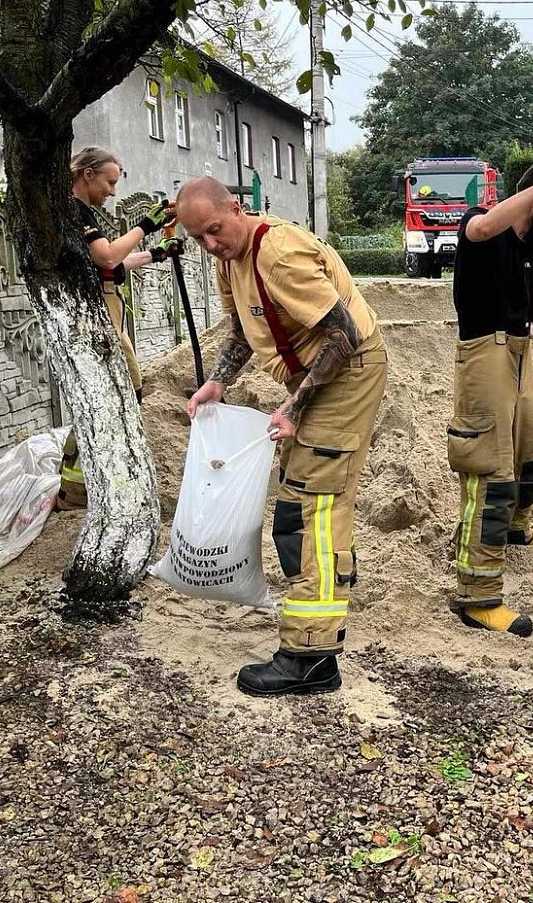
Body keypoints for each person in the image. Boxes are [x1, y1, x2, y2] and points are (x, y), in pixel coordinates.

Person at [177, 176, 387, 697]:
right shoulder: (231, 259)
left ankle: (311, 657)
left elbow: (343, 335)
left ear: (236, 207)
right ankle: (330, 588)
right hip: (314, 377)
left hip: (346, 372)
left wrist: (295, 405)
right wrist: (218, 381)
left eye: (214, 230)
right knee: (306, 501)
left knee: (310, 509)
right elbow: (242, 330)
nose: (209, 244)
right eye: (198, 238)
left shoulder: (280, 254)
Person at [446, 162, 533, 637]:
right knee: (492, 474)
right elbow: (483, 228)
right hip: (484, 354)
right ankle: (478, 597)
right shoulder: (482, 221)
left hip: (522, 353)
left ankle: (516, 529)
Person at [56, 147, 172, 509]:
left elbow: (111, 263)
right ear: (88, 175)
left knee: (114, 397)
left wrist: (157, 253)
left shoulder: (83, 213)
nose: (113, 191)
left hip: (104, 315)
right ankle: (91, 486)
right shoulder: (73, 211)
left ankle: (79, 489)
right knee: (124, 393)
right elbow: (107, 256)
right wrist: (145, 226)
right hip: (95, 320)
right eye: (109, 182)